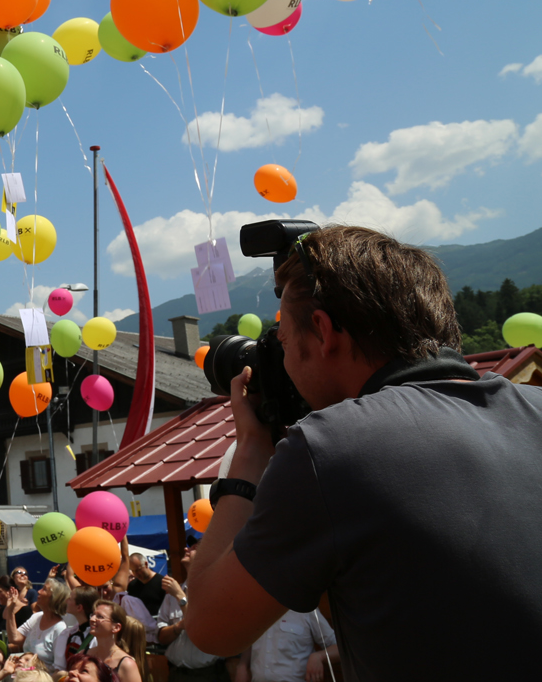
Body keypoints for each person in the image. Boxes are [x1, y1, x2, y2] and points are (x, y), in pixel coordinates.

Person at [186, 225, 542, 679]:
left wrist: (252, 451)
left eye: (286, 344)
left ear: (322, 331)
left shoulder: (331, 448)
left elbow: (209, 628)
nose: (286, 363)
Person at [154, 544, 225, 682]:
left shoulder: (216, 592)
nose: (186, 549)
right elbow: (161, 637)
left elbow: (204, 632)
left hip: (208, 675)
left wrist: (181, 597)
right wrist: (178, 626)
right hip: (176, 674)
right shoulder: (171, 595)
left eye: (194, 548)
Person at [232, 610, 336, 682]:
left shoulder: (307, 612)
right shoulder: (257, 611)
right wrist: (243, 665)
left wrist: (319, 656)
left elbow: (339, 647)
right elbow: (252, 641)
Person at [6, 579, 68, 666]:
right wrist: (10, 611)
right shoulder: (36, 617)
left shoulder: (60, 629)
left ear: (54, 598)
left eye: (44, 589)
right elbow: (14, 638)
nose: (39, 591)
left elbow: (59, 668)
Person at [85, 603, 141, 682]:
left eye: (100, 616)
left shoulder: (126, 664)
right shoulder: (84, 655)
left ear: (116, 627)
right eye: (93, 615)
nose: (92, 619)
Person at [53, 586, 99, 672]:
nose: (67, 601)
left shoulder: (95, 637)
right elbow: (59, 668)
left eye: (70, 598)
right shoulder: (67, 634)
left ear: (79, 607)